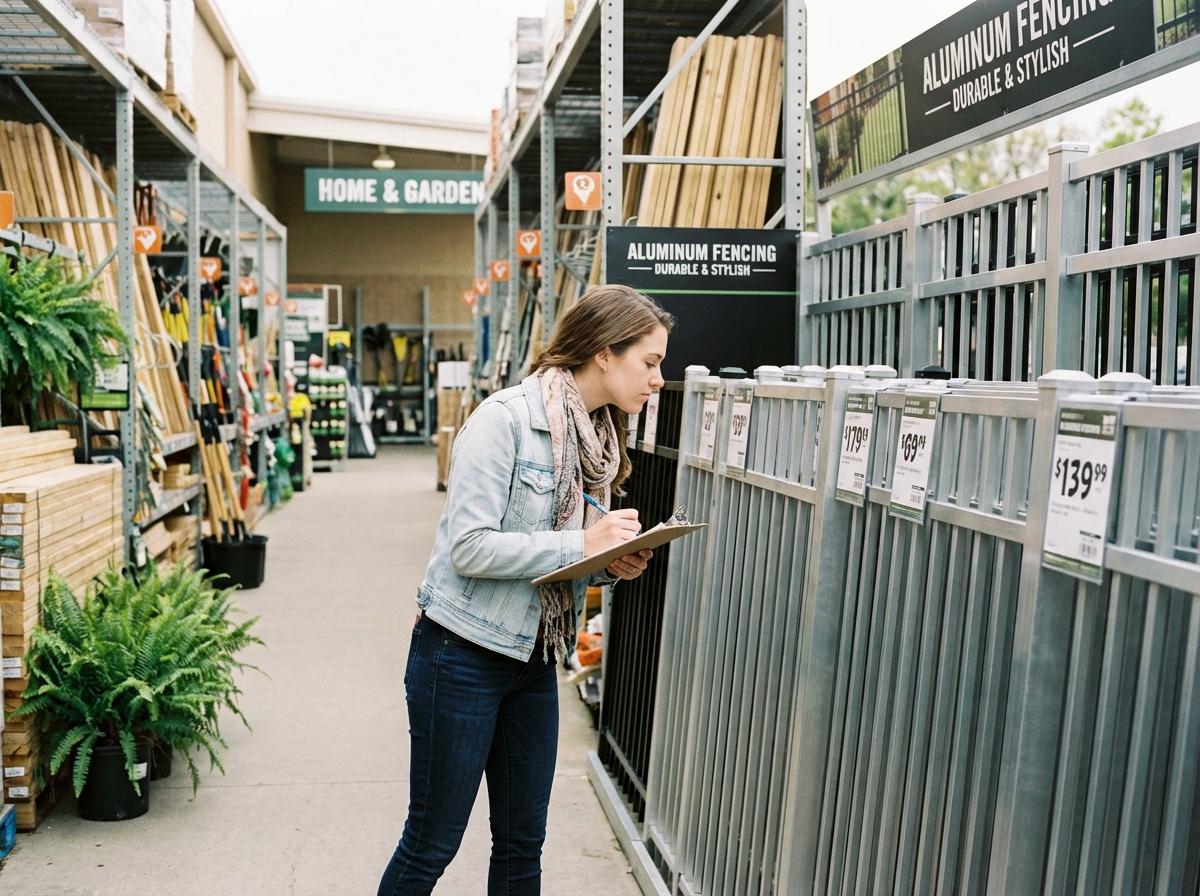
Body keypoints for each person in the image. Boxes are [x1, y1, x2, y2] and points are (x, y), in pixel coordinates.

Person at [378, 284, 675, 896]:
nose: (659, 379)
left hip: (534, 658)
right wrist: (583, 546)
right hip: (459, 657)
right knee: (431, 843)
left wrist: (607, 563)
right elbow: (470, 548)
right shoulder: (504, 420)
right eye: (650, 362)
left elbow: (553, 562)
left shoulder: (596, 442)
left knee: (521, 848)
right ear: (603, 353)